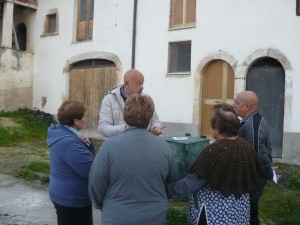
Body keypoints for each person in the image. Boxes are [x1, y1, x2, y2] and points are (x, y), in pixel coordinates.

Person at [168, 103, 264, 225]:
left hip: (214, 215)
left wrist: (167, 188)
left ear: (217, 128)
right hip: (239, 214)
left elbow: (190, 185)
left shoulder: (214, 151)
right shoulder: (246, 147)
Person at [89, 93, 178, 225]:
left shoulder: (109, 146)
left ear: (125, 116)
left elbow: (96, 183)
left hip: (116, 215)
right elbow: (172, 183)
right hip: (154, 215)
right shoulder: (164, 147)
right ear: (149, 117)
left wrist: (102, 205)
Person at [47, 100, 95, 225]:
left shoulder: (59, 133)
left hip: (63, 195)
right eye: (84, 116)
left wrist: (89, 145)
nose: (86, 118)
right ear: (76, 121)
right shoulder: (70, 143)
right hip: (72, 199)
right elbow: (91, 171)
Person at [233, 91, 273, 225]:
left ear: (247, 107)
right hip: (252, 177)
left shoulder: (252, 128)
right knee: (250, 209)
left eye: (237, 103)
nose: (234, 105)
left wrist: (268, 174)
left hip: (253, 178)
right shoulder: (252, 121)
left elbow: (258, 158)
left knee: (249, 212)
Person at [98, 69, 165, 137]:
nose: (142, 87)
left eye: (142, 84)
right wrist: (126, 128)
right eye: (139, 84)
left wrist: (155, 128)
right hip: (117, 145)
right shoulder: (109, 99)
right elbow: (102, 128)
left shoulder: (145, 99)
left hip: (141, 143)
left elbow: (154, 121)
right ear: (127, 83)